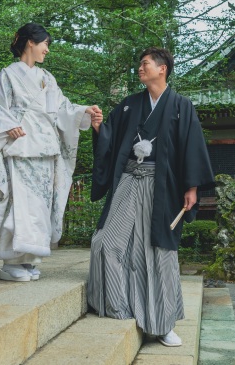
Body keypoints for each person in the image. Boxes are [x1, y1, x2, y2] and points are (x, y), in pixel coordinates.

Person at [87, 47, 214, 347]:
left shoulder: (181, 106)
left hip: (162, 187)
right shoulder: (130, 105)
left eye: (145, 64)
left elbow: (192, 147)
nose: (140, 69)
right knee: (106, 243)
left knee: (158, 252)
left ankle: (163, 323)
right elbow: (110, 139)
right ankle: (119, 306)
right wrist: (99, 127)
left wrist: (192, 188)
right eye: (140, 64)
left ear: (162, 69)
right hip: (129, 180)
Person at [0, 23, 101, 282]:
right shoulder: (8, 75)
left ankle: (29, 259)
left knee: (39, 206)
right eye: (45, 43)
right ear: (30, 42)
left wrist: (83, 111)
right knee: (18, 205)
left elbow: (62, 109)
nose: (47, 49)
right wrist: (8, 125)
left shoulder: (47, 78)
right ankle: (11, 261)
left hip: (45, 149)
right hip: (20, 147)